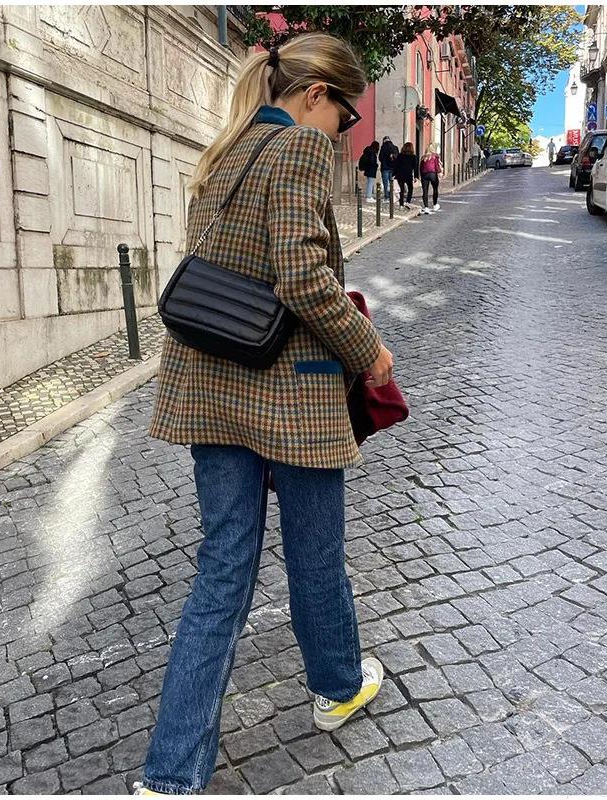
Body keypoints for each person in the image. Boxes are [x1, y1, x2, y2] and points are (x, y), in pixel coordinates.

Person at [140, 32, 392, 796]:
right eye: (347, 115)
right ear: (316, 95)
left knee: (222, 570)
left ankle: (170, 777)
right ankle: (338, 688)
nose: (344, 132)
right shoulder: (299, 150)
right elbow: (304, 279)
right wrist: (369, 351)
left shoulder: (224, 151)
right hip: (293, 395)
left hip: (211, 387)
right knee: (315, 557)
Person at [419, 143, 443, 214]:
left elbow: (420, 167)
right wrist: (439, 172)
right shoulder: (435, 156)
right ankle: (435, 205)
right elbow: (436, 166)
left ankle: (426, 207)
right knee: (435, 189)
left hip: (424, 174)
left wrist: (420, 176)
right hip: (433, 174)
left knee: (425, 191)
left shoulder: (423, 157)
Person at [394, 142, 419, 207]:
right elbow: (415, 167)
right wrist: (416, 176)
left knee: (401, 190)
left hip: (400, 175)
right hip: (408, 175)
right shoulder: (413, 157)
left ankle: (401, 203)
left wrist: (394, 174)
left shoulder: (400, 156)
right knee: (410, 188)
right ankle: (408, 201)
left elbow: (396, 166)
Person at [379, 135, 399, 200]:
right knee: (392, 183)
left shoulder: (383, 148)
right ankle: (392, 196)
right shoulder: (395, 147)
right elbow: (398, 158)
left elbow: (380, 158)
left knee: (386, 184)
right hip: (393, 168)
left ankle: (387, 197)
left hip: (385, 168)